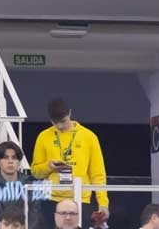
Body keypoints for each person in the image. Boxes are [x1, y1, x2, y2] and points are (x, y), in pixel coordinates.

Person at [31, 98, 110, 229]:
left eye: (63, 121)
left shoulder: (89, 137)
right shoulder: (43, 136)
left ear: (70, 113)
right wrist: (48, 167)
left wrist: (103, 203)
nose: (60, 126)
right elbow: (35, 172)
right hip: (51, 199)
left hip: (80, 199)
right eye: (55, 123)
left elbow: (98, 174)